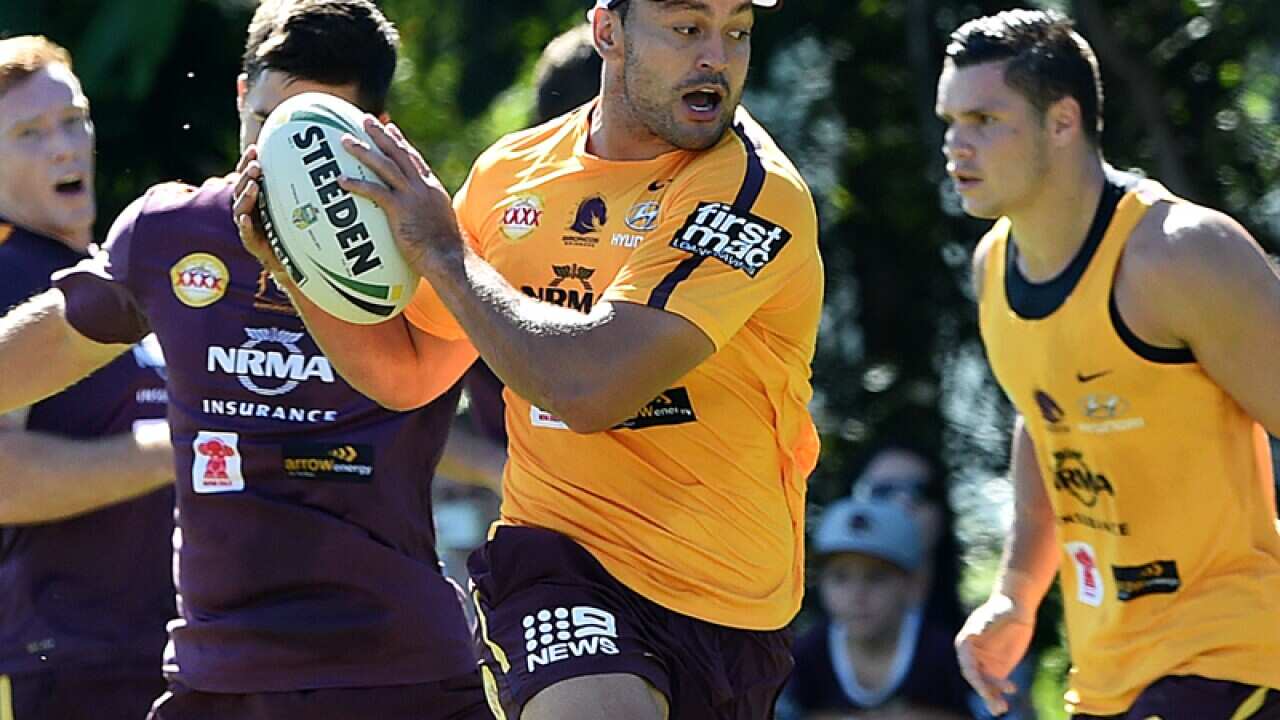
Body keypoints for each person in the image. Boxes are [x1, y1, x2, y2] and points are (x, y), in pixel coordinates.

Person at [235, 0, 821, 717]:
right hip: (559, 563)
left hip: (730, 601)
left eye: (737, 32)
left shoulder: (754, 195)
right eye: (687, 28)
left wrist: (446, 254)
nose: (717, 58)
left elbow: (588, 386)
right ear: (608, 32)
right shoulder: (508, 172)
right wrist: (299, 272)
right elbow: (412, 368)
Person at [0, 3, 490, 718]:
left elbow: (549, 386)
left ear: (376, 133)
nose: (276, 169)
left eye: (311, 146)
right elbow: (28, 360)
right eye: (266, 128)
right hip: (222, 678)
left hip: (398, 673)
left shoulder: (433, 246)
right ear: (239, 98)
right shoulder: (172, 232)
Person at [938, 9, 1280, 719]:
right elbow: (1045, 420)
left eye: (983, 119)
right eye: (950, 120)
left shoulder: (1181, 254)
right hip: (1104, 672)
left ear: (1063, 123)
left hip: (1231, 655)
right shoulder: (993, 267)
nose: (955, 146)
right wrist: (1014, 595)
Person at [0, 35, 174, 720]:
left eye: (74, 120)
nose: (66, 147)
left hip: (177, 651)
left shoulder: (113, 273)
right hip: (76, 662)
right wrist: (172, 450)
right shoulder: (9, 276)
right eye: (30, 133)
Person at [780, 499, 973, 720]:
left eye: (876, 577)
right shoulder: (805, 655)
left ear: (913, 584)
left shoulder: (946, 655)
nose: (857, 594)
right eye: (840, 577)